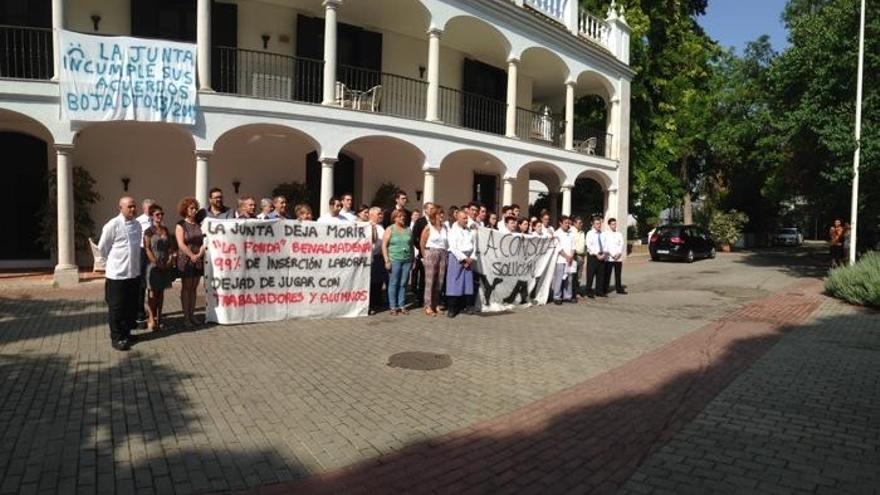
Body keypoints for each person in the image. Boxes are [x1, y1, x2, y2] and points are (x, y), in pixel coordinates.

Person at [98, 197, 143, 351]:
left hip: (133, 273)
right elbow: (102, 249)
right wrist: (108, 266)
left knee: (130, 307)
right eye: (129, 206)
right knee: (117, 308)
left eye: (134, 206)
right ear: (120, 207)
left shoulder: (137, 225)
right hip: (117, 275)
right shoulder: (113, 225)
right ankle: (117, 338)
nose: (133, 209)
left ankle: (126, 333)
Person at [142, 204, 177, 330]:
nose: (160, 216)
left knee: (161, 292)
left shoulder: (166, 230)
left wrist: (170, 259)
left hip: (165, 263)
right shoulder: (148, 231)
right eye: (157, 214)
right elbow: (147, 248)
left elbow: (170, 247)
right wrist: (156, 263)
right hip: (153, 265)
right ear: (151, 216)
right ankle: (151, 319)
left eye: (162, 214)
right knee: (152, 293)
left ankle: (160, 317)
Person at [175, 197, 206, 327]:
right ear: (185, 210)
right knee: (186, 288)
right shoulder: (181, 224)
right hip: (186, 260)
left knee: (194, 288)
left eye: (195, 208)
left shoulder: (200, 224)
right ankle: (186, 317)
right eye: (191, 208)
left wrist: (200, 254)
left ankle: (192, 315)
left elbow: (205, 240)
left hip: (198, 258)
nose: (194, 210)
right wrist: (191, 255)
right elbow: (181, 243)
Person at [382, 209, 413, 315]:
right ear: (394, 218)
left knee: (403, 283)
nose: (402, 218)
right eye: (399, 216)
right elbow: (384, 245)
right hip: (394, 259)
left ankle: (402, 305)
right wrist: (387, 260)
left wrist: (412, 259)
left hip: (407, 260)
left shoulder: (408, 229)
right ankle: (393, 306)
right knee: (394, 283)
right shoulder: (390, 229)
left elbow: (411, 246)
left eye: (403, 216)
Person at [446, 209, 475, 318]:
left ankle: (466, 306)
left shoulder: (469, 230)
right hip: (457, 258)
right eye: (464, 218)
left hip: (469, 258)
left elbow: (474, 245)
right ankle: (452, 308)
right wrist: (463, 259)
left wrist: (471, 258)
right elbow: (453, 247)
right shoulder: (453, 231)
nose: (466, 220)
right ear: (457, 218)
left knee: (467, 283)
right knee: (454, 282)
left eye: (466, 218)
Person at [420, 206, 448, 316]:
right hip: (431, 252)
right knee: (430, 281)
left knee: (439, 281)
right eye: (439, 214)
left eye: (442, 213)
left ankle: (436, 304)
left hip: (442, 253)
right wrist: (424, 256)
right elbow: (422, 242)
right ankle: (428, 305)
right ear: (434, 215)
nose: (441, 215)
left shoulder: (445, 227)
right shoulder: (428, 227)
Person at [134, 198, 155, 327]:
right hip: (142, 253)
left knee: (153, 283)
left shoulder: (156, 220)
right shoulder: (139, 221)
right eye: (149, 208)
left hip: (154, 253)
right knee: (142, 283)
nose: (152, 210)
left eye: (153, 207)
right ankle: (140, 312)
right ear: (144, 208)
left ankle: (154, 312)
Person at [410, 203, 434, 306]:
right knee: (423, 277)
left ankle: (431, 298)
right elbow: (414, 237)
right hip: (423, 252)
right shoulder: (420, 221)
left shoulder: (435, 221)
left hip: (434, 252)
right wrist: (421, 249)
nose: (433, 210)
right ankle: (421, 299)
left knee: (432, 277)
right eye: (431, 208)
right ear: (425, 210)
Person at [553, 216, 575, 304]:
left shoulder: (571, 233)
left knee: (569, 278)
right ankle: (557, 296)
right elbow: (558, 247)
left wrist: (571, 256)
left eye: (568, 222)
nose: (567, 224)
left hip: (570, 259)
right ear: (560, 223)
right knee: (559, 278)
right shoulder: (556, 233)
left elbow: (573, 245)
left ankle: (567, 296)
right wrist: (566, 256)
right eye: (565, 223)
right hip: (561, 259)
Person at [368, 207, 387, 313]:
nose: (381, 215)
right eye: (379, 214)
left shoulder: (381, 226)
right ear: (372, 215)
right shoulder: (369, 225)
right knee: (372, 282)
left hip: (380, 256)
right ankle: (372, 302)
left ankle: (377, 300)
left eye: (381, 213)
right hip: (372, 257)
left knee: (379, 281)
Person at [603, 217, 627, 295]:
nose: (614, 225)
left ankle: (619, 289)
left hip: (618, 257)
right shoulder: (606, 234)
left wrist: (619, 253)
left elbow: (621, 243)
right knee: (607, 274)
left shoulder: (619, 234)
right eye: (612, 224)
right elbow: (606, 245)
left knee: (618, 274)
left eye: (615, 224)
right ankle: (605, 289)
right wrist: (613, 254)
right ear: (609, 225)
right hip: (609, 257)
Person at [585, 216, 607, 298]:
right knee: (590, 275)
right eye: (597, 224)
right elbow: (589, 245)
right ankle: (588, 291)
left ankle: (599, 291)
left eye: (600, 223)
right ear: (593, 224)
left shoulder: (603, 234)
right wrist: (597, 254)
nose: (599, 225)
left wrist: (604, 254)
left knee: (601, 275)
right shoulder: (589, 233)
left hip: (602, 255)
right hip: (593, 257)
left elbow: (605, 244)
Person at [572, 216, 586, 297]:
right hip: (574, 256)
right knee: (573, 275)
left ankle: (577, 291)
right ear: (574, 223)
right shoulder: (571, 232)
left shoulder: (582, 232)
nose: (581, 224)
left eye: (581, 223)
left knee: (579, 276)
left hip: (581, 256)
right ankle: (572, 292)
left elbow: (583, 245)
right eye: (579, 223)